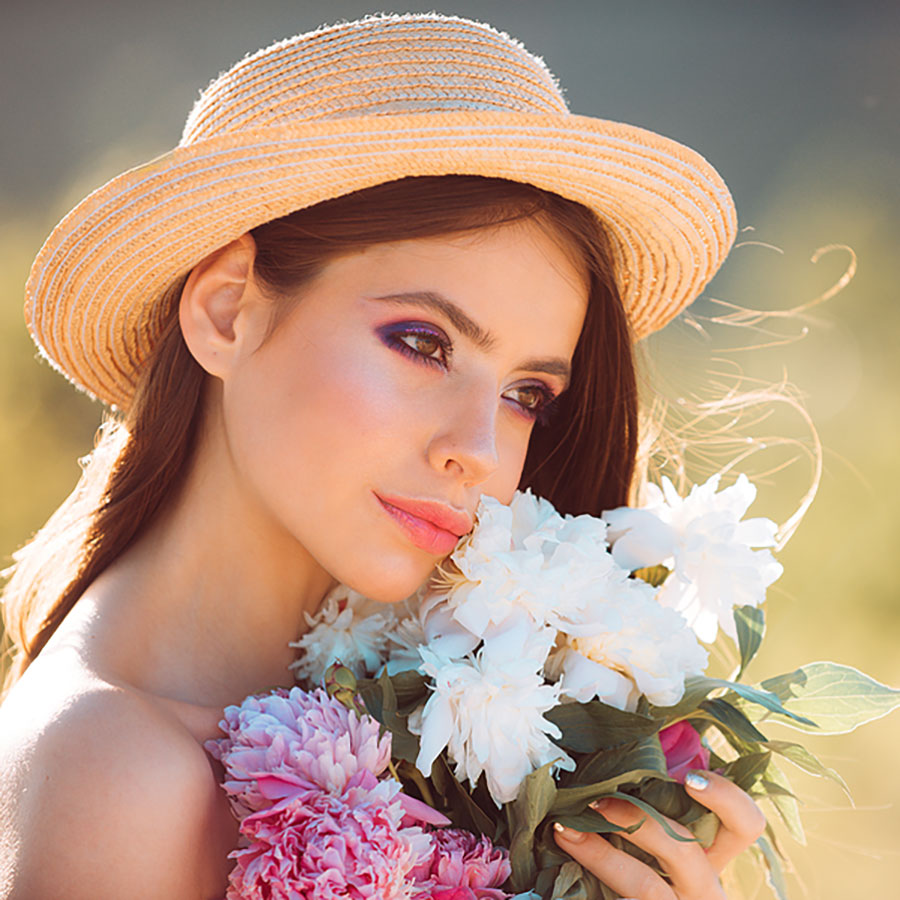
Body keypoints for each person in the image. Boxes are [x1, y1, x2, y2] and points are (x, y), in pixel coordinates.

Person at [0, 13, 766, 899]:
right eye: (422, 342)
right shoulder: (117, 775)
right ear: (225, 310)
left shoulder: (460, 749)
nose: (476, 452)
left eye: (526, 395)